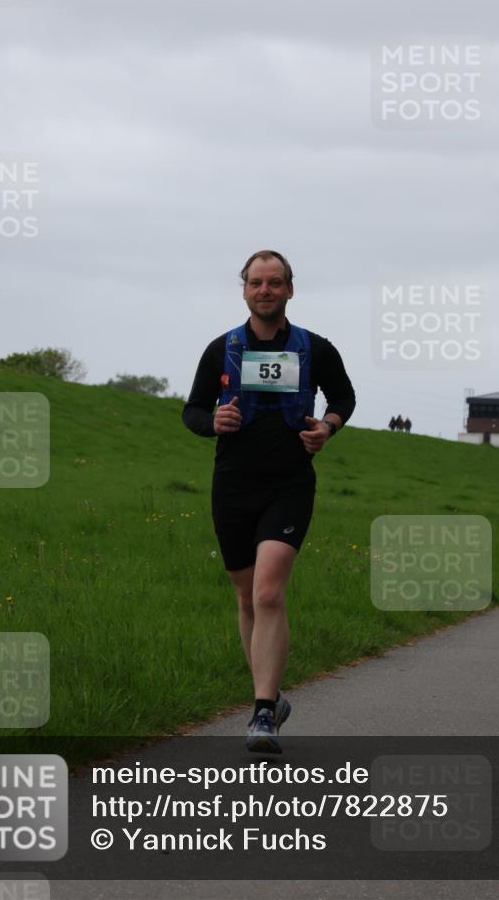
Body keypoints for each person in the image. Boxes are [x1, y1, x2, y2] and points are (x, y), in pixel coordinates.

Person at [182, 250, 356, 753]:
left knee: (268, 594)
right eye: (256, 282)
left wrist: (327, 427)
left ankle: (261, 715)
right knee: (245, 598)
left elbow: (343, 397)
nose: (265, 290)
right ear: (244, 291)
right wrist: (211, 422)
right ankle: (271, 695)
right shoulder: (222, 349)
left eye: (275, 282)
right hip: (233, 484)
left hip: (289, 483)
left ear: (289, 290)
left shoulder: (315, 348)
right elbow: (193, 410)